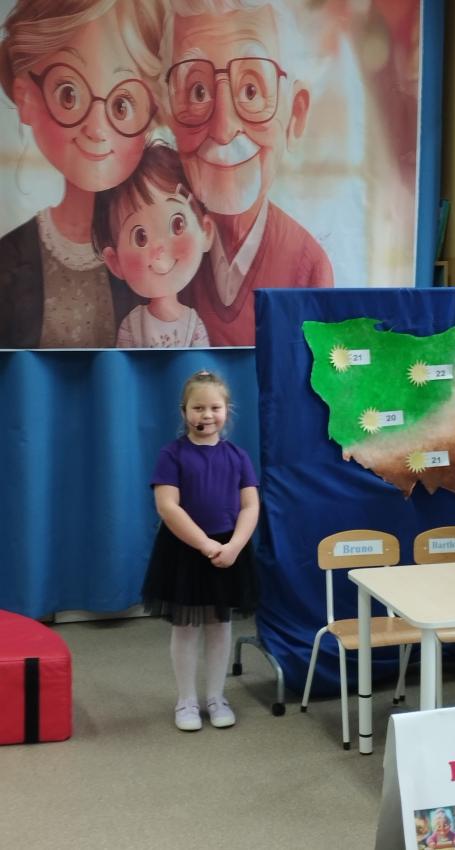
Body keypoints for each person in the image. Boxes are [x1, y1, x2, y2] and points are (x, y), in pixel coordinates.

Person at [162, 0, 334, 346]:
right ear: (169, 116)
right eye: (198, 91)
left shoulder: (307, 265)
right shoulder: (159, 250)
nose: (223, 128)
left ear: (295, 114)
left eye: (250, 91)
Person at [0, 0, 164, 349]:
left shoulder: (162, 254)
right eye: (69, 94)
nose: (97, 129)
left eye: (122, 105)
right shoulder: (9, 257)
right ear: (26, 97)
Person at [142, 369, 260, 731]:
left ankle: (216, 697)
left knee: (219, 625)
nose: (206, 415)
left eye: (214, 408)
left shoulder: (238, 456)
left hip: (228, 550)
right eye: (198, 408)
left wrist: (234, 545)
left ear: (227, 411)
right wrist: (206, 544)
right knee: (186, 628)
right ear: (184, 412)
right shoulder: (172, 455)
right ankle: (186, 701)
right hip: (185, 552)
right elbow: (168, 507)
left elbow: (250, 506)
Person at [93, 142, 214, 348]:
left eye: (177, 225)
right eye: (141, 237)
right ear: (115, 262)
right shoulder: (131, 326)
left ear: (206, 231)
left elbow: (201, 364)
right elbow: (126, 364)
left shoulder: (194, 325)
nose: (159, 248)